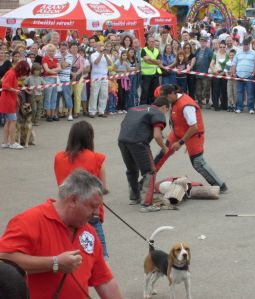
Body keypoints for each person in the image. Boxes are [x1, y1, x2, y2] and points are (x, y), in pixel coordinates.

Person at [0, 170, 123, 299]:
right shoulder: (29, 221)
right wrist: (54, 263)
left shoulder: (88, 231)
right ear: (73, 200)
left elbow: (105, 281)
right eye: (93, 206)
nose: (97, 213)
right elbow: (4, 260)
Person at [154, 84, 227, 192]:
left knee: (198, 163)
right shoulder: (173, 100)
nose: (165, 101)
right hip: (178, 132)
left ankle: (220, 185)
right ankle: (147, 181)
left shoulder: (186, 105)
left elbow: (194, 127)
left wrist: (181, 142)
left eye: (166, 98)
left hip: (193, 134)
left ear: (172, 94)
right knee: (163, 153)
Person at [54, 120, 109, 258]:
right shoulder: (97, 158)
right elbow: (103, 188)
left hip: (66, 212)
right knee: (100, 258)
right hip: (89, 213)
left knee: (70, 254)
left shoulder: (59, 157)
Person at [118, 97, 170, 212]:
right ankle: (146, 204)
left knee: (131, 170)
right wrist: (164, 147)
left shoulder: (136, 108)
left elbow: (124, 124)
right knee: (150, 172)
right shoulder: (158, 113)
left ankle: (134, 198)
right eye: (167, 110)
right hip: (139, 142)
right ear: (164, 107)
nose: (165, 113)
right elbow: (157, 135)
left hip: (122, 140)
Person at [0, 61, 31, 149]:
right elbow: (5, 85)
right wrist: (15, 90)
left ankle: (5, 142)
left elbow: (3, 81)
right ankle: (12, 142)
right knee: (13, 121)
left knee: (8, 122)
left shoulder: (10, 72)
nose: (24, 74)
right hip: (8, 100)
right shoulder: (12, 73)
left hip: (7, 100)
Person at [231, 37, 255, 114]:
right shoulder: (238, 52)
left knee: (250, 92)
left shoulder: (254, 53)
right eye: (244, 45)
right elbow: (234, 63)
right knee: (239, 92)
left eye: (246, 45)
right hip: (238, 75)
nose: (245, 46)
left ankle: (251, 108)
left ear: (249, 45)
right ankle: (239, 108)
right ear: (242, 45)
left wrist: (253, 73)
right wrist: (234, 72)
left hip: (249, 76)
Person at [89, 41, 112, 118]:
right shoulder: (93, 55)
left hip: (104, 77)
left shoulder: (106, 55)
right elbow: (95, 62)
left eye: (102, 45)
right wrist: (101, 54)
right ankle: (92, 111)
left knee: (104, 95)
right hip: (95, 77)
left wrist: (105, 55)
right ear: (97, 47)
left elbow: (110, 64)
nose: (102, 46)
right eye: (100, 45)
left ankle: (101, 111)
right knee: (94, 94)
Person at [140, 36, 162, 105]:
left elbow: (159, 62)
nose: (152, 43)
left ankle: (154, 104)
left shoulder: (157, 50)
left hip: (155, 73)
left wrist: (150, 59)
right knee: (145, 91)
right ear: (147, 42)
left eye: (153, 41)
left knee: (155, 91)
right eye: (150, 41)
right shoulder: (143, 50)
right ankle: (143, 105)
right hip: (146, 74)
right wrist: (154, 61)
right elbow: (146, 61)